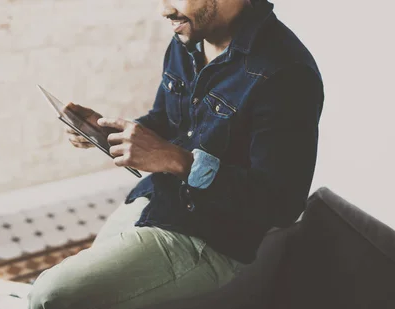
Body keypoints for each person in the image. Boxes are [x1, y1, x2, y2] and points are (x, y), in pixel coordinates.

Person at [28, 0, 324, 308]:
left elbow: (282, 205)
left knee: (49, 295)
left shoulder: (286, 73)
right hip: (159, 198)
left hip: (210, 239)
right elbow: (167, 120)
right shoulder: (188, 39)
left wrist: (178, 161)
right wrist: (105, 132)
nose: (163, 9)